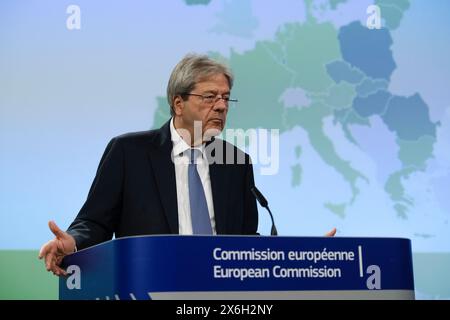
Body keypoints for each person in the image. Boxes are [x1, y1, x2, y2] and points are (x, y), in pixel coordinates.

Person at [39, 54, 336, 276]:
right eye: (209, 97)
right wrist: (74, 243)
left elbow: (247, 242)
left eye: (225, 99)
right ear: (178, 104)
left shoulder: (236, 162)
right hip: (151, 284)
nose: (221, 106)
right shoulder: (129, 152)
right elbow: (96, 222)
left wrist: (299, 255)